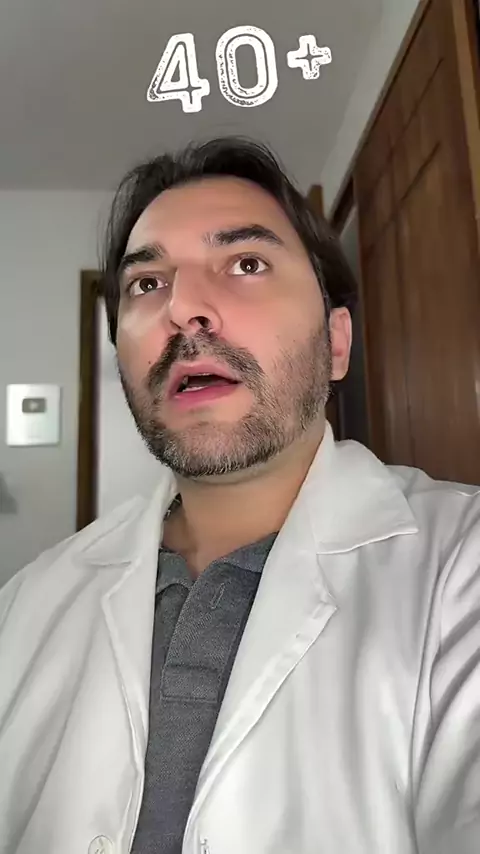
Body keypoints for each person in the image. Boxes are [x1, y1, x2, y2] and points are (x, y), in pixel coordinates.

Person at [0, 137, 479, 854]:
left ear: (336, 343)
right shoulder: (25, 605)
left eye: (247, 264)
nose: (184, 309)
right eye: (147, 284)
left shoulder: (462, 568)